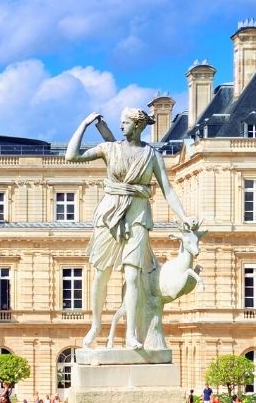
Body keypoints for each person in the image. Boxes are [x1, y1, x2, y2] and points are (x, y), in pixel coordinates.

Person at [65, 107, 195, 350]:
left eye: (125, 122)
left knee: (133, 276)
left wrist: (184, 217)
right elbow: (71, 156)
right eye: (121, 122)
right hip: (109, 213)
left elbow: (167, 189)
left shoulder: (152, 155)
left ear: (137, 125)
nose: (121, 126)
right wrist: (83, 124)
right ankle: (95, 325)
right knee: (101, 273)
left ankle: (131, 335)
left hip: (138, 214)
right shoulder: (109, 149)